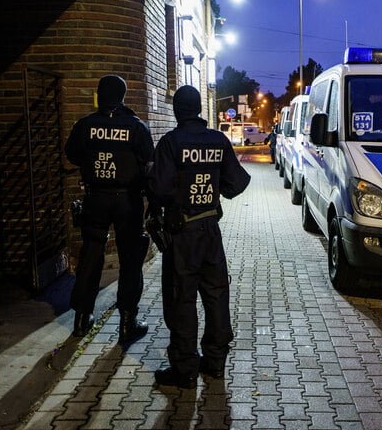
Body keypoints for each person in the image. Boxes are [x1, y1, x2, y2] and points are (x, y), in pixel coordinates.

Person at [147, 85, 251, 389]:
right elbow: (237, 184)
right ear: (199, 110)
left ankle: (185, 369)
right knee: (216, 294)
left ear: (178, 110)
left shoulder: (170, 143)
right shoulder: (217, 140)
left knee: (182, 298)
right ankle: (215, 363)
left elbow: (159, 189)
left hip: (182, 234)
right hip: (210, 231)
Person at [65, 74, 155, 343]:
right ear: (123, 97)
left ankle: (82, 319)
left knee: (91, 255)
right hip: (128, 200)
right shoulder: (136, 127)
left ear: (99, 96)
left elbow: (72, 155)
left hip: (96, 197)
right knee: (130, 259)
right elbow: (148, 162)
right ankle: (127, 323)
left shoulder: (86, 125)